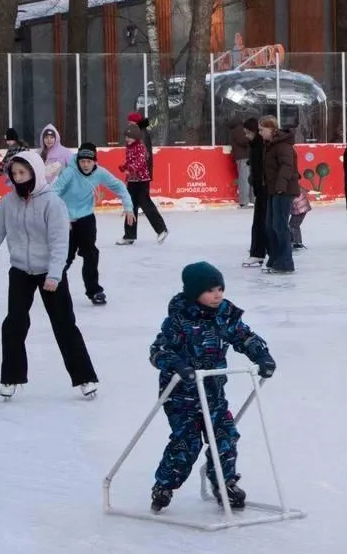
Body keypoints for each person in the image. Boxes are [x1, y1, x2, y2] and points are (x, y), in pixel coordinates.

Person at [0, 152, 99, 401]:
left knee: (64, 324)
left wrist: (55, 274)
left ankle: (84, 377)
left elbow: (59, 242)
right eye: (14, 174)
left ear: (35, 173)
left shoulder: (52, 202)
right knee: (14, 323)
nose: (18, 178)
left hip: (49, 272)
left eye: (23, 173)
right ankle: (11, 377)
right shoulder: (8, 203)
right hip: (21, 271)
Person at [148, 261, 276, 513]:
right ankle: (164, 485)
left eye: (220, 288)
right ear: (195, 293)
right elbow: (158, 351)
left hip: (214, 393)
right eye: (210, 290)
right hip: (181, 397)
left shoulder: (224, 315)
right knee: (188, 442)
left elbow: (244, 336)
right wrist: (178, 366)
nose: (217, 295)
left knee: (225, 437)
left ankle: (224, 484)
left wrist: (262, 356)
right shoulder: (178, 320)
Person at [51, 143, 135, 305]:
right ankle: (53, 284)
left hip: (86, 219)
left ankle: (94, 290)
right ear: (78, 161)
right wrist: (62, 215)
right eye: (82, 161)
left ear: (94, 161)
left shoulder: (100, 173)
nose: (86, 164)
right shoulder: (70, 172)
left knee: (91, 254)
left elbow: (119, 187)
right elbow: (54, 192)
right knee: (65, 257)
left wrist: (129, 207)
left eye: (89, 161)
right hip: (66, 221)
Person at [258, 116, 299, 274]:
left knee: (279, 226)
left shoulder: (283, 145)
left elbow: (287, 166)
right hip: (273, 189)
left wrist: (281, 185)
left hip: (284, 190)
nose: (260, 133)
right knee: (270, 226)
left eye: (262, 130)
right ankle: (274, 259)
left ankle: (285, 262)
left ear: (271, 129)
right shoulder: (270, 145)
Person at [118, 122, 169, 245]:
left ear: (135, 137)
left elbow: (140, 162)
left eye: (129, 137)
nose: (127, 139)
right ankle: (129, 235)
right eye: (126, 137)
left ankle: (161, 229)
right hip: (132, 181)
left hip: (141, 181)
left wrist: (130, 169)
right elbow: (131, 161)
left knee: (146, 205)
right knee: (130, 207)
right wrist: (124, 166)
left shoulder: (140, 147)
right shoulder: (129, 147)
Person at [242, 119, 269, 267]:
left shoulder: (262, 145)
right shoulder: (254, 144)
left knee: (263, 222)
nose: (246, 136)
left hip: (266, 188)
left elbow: (264, 166)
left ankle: (259, 252)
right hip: (260, 188)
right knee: (259, 222)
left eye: (248, 133)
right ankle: (258, 252)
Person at [230, 118, 254, 208]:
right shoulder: (239, 129)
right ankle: (244, 201)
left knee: (248, 178)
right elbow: (243, 141)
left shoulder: (237, 129)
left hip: (244, 156)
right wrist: (253, 138)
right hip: (244, 157)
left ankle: (250, 200)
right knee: (245, 179)